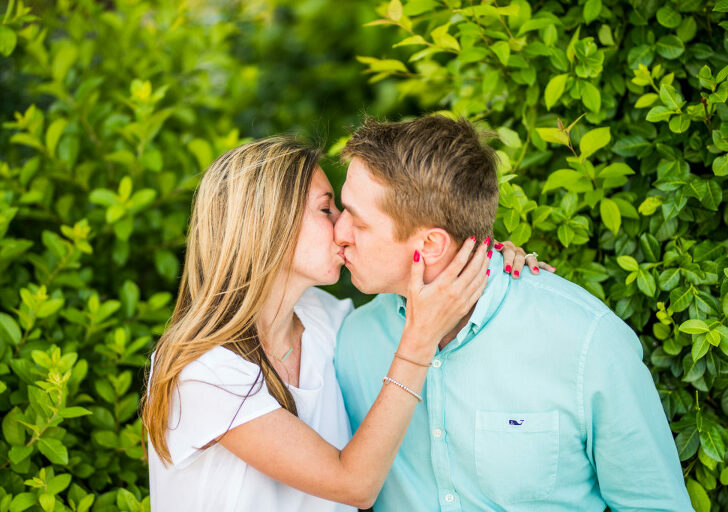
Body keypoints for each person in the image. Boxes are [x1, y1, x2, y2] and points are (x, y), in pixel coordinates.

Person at [140, 136, 544, 511]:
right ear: (267, 225)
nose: (342, 227)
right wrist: (419, 340)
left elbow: (422, 290)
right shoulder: (203, 372)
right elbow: (354, 483)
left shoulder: (326, 320)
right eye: (326, 209)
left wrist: (477, 262)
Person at [333, 115, 693, 511]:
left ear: (431, 245)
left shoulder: (587, 342)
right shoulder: (350, 342)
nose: (339, 233)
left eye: (358, 222)